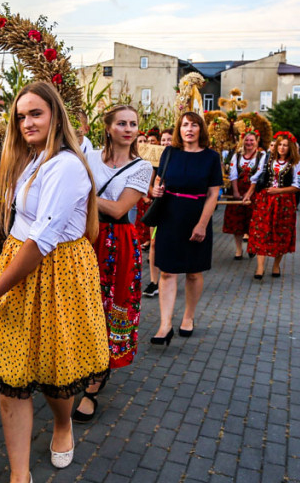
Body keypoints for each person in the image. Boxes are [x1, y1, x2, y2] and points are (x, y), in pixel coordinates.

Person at [0, 82, 109, 483]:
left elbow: (42, 239)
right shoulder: (29, 162)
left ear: (55, 117)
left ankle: (64, 424)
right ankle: (19, 475)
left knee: (53, 369)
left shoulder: (65, 166)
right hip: (21, 267)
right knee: (13, 375)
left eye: (36, 114)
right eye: (21, 116)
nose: (27, 123)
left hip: (53, 271)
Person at [73, 104, 152, 422]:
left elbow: (120, 210)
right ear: (108, 128)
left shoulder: (142, 167)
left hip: (118, 243)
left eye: (133, 123)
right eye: (122, 123)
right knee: (80, 304)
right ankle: (78, 362)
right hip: (83, 238)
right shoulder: (88, 158)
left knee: (113, 307)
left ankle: (93, 387)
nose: (129, 129)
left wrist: (80, 195)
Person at [148, 112, 223, 343]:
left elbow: (213, 194)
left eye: (193, 125)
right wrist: (155, 191)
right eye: (184, 125)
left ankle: (188, 317)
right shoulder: (169, 153)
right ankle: (165, 325)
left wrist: (202, 224)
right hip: (169, 215)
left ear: (201, 129)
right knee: (167, 271)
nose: (188, 129)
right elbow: (158, 183)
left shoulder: (211, 157)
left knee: (193, 271)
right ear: (179, 129)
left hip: (196, 215)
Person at [248, 131, 300, 278]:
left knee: (281, 233)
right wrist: (249, 193)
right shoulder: (267, 160)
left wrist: (278, 190)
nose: (282, 147)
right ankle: (260, 268)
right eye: (280, 144)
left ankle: (276, 265)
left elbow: (298, 186)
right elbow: (257, 177)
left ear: (290, 147)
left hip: (284, 202)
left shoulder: (296, 164)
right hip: (265, 200)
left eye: (285, 145)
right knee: (261, 232)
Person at [222, 131, 265, 258]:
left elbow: (259, 174)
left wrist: (249, 193)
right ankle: (239, 249)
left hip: (254, 191)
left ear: (257, 141)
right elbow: (233, 174)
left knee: (254, 221)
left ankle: (252, 245)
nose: (249, 143)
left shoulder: (261, 155)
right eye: (247, 140)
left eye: (252, 140)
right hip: (239, 190)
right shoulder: (237, 155)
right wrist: (235, 191)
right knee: (237, 221)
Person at [141, 130, 173, 297]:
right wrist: (155, 191)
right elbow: (150, 184)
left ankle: (168, 277)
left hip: (175, 207)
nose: (165, 142)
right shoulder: (154, 161)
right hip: (158, 205)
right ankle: (154, 281)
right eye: (163, 139)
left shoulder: (177, 158)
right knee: (153, 243)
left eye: (169, 139)